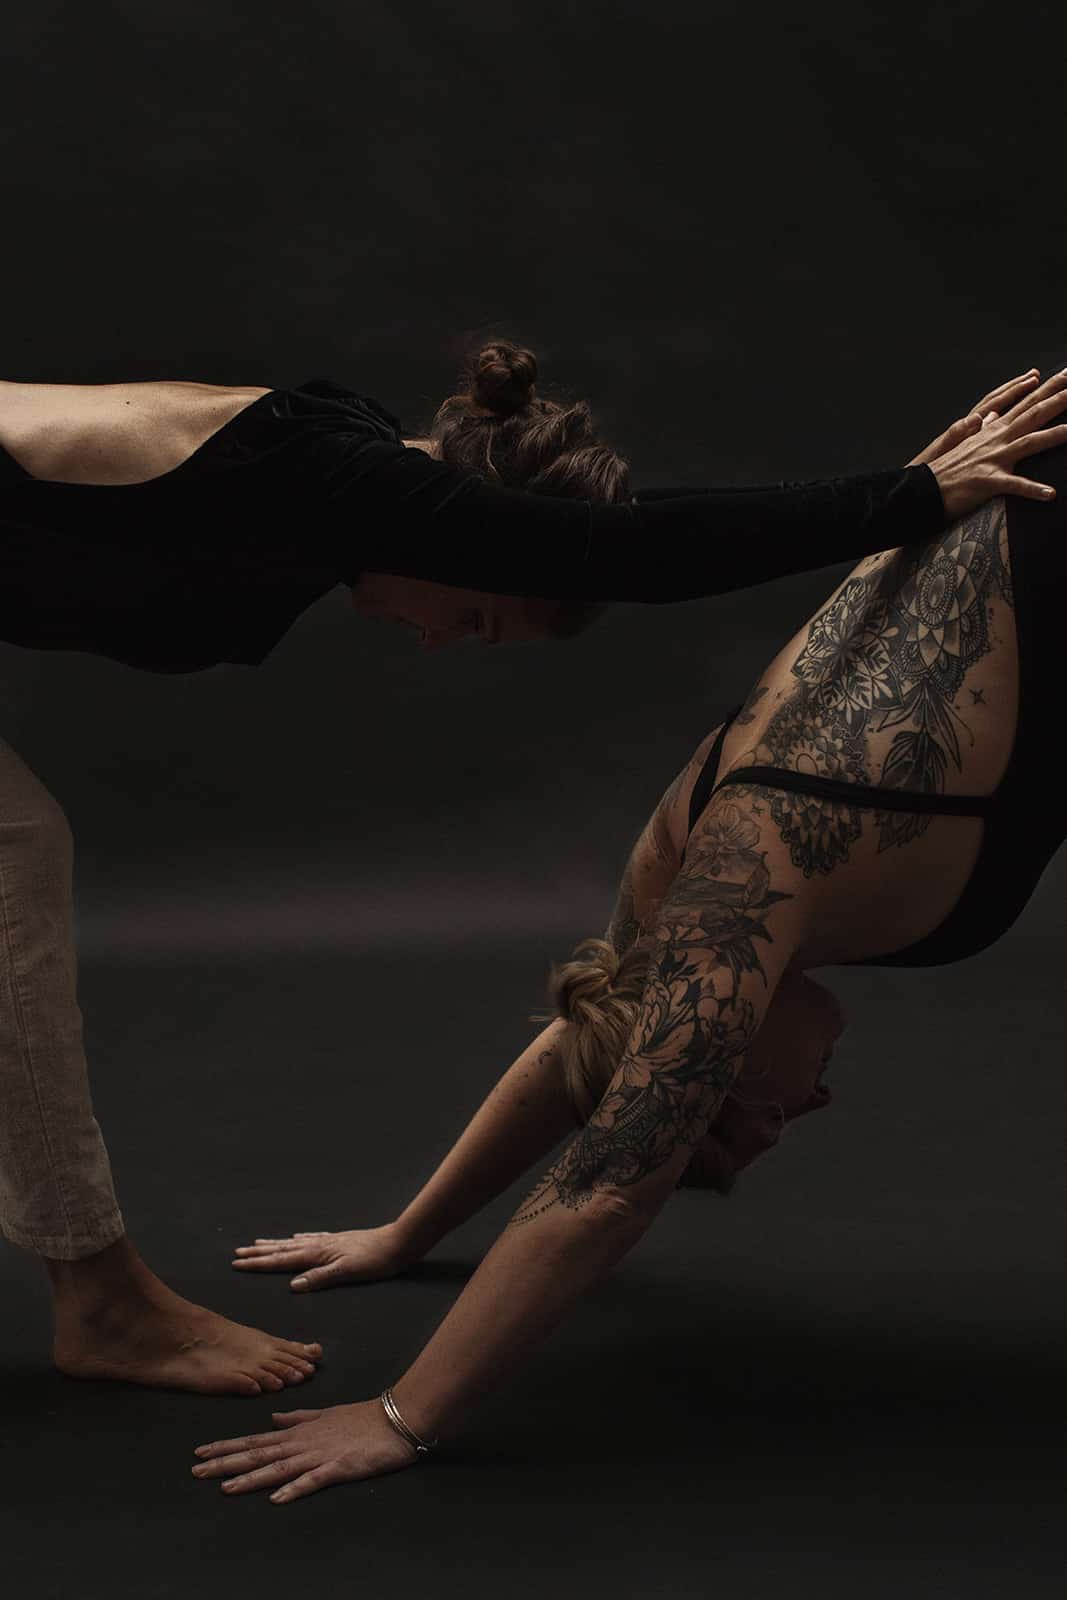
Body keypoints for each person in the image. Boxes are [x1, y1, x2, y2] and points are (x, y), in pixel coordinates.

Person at [0, 344, 1062, 1401]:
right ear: (477, 538)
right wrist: (906, 494)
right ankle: (100, 1297)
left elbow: (595, 542)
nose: (437, 643)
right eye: (472, 617)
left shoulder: (339, 482)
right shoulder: (338, 476)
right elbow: (635, 550)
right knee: (19, 847)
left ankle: (97, 1291)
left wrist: (404, 1232)